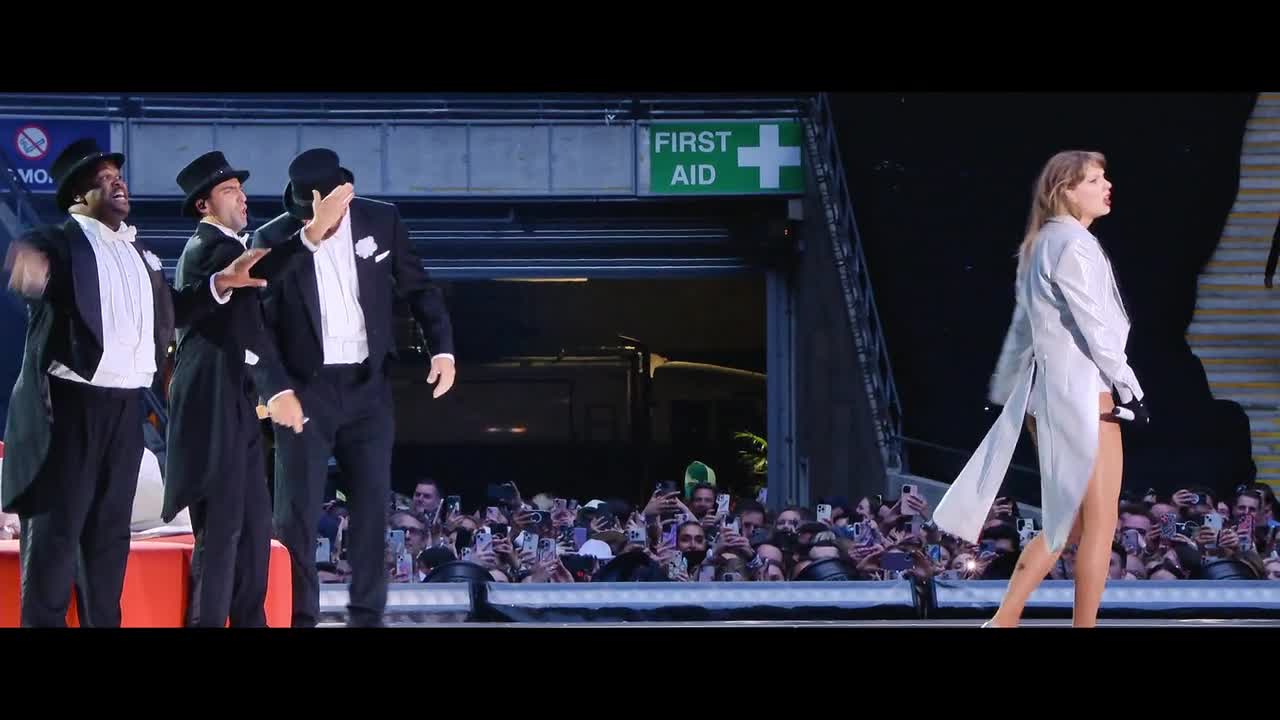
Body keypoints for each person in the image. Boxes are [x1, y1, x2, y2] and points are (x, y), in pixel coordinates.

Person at [1, 138, 266, 627]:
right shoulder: (60, 242)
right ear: (79, 196)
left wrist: (221, 283)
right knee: (55, 543)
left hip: (126, 411)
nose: (118, 184)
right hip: (70, 408)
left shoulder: (142, 252)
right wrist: (30, 268)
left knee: (108, 544)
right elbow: (34, 262)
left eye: (118, 177)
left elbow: (172, 310)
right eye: (104, 179)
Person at [934, 150, 1150, 628]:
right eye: (1094, 180)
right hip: (1082, 393)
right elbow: (1095, 327)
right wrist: (1129, 387)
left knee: (1066, 523)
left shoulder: (1040, 245)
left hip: (1049, 394)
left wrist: (1008, 389)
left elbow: (1022, 329)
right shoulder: (1073, 245)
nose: (1107, 186)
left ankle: (1004, 620)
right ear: (1065, 191)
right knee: (1099, 524)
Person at [251, 148, 457, 627]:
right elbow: (257, 327)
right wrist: (274, 390)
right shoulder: (273, 238)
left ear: (346, 194)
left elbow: (419, 288)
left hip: (369, 385)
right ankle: (298, 616)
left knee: (371, 507)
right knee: (296, 514)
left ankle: (367, 616)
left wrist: (442, 350)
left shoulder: (380, 220)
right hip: (305, 389)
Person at [164, 151, 312, 626]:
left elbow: (263, 260)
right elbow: (250, 323)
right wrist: (308, 234)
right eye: (229, 190)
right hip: (212, 410)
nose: (242, 197)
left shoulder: (228, 247)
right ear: (203, 205)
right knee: (222, 534)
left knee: (252, 533)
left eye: (241, 189)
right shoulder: (209, 249)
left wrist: (303, 225)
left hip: (235, 406)